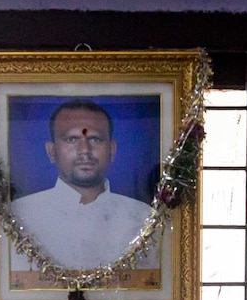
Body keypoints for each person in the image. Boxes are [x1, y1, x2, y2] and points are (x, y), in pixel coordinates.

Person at [9, 98, 160, 272]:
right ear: (51, 151)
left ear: (112, 150)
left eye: (95, 139)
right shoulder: (19, 215)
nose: (84, 150)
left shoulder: (144, 219)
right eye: (72, 139)